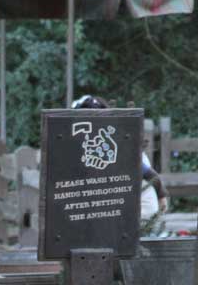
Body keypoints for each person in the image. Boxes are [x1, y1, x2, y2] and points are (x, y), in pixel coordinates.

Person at [70, 94, 170, 222]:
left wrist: (161, 197)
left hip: (140, 214)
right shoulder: (102, 142)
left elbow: (150, 174)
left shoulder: (118, 145)